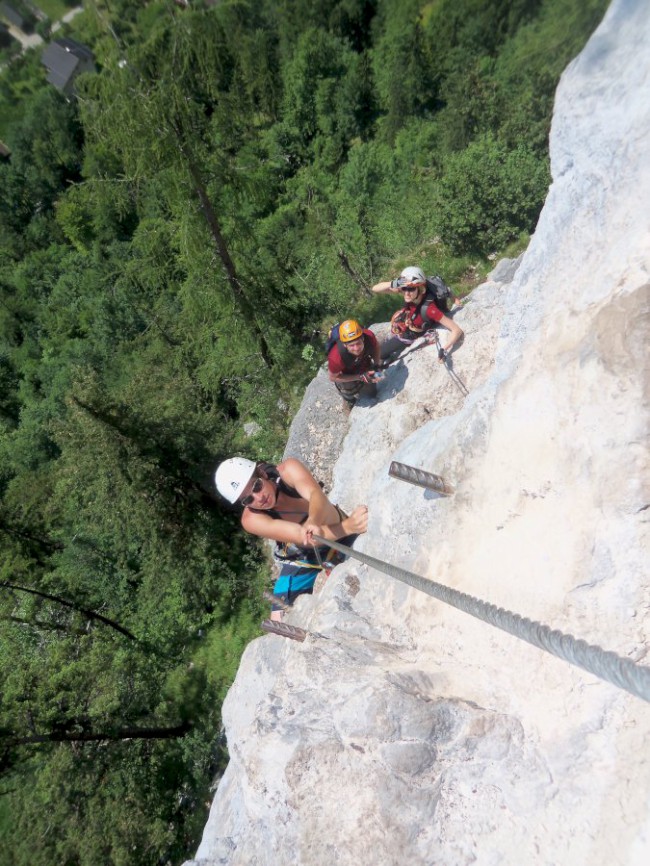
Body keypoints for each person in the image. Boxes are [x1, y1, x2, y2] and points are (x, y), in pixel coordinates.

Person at [215, 456, 368, 620]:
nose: (258, 498)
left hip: (332, 524)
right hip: (305, 555)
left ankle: (339, 544)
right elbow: (303, 537)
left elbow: (316, 494)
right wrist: (349, 526)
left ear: (261, 473)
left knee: (321, 515)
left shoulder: (288, 470)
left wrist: (316, 521)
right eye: (248, 499)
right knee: (278, 617)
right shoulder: (251, 520)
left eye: (256, 486)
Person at [372, 266, 464, 362]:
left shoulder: (430, 309)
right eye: (404, 288)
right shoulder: (412, 293)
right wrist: (395, 283)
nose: (406, 293)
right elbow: (375, 289)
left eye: (411, 289)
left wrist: (444, 349)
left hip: (413, 333)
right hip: (408, 320)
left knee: (379, 354)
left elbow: (456, 330)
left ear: (422, 289)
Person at [327, 319, 384, 407]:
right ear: (344, 345)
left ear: (363, 338)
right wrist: (360, 377)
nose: (356, 348)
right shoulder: (335, 357)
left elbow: (376, 347)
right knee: (347, 390)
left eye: (358, 343)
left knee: (372, 390)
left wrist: (377, 365)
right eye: (351, 345)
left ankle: (369, 390)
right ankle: (349, 400)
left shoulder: (369, 336)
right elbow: (333, 377)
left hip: (363, 362)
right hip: (346, 372)